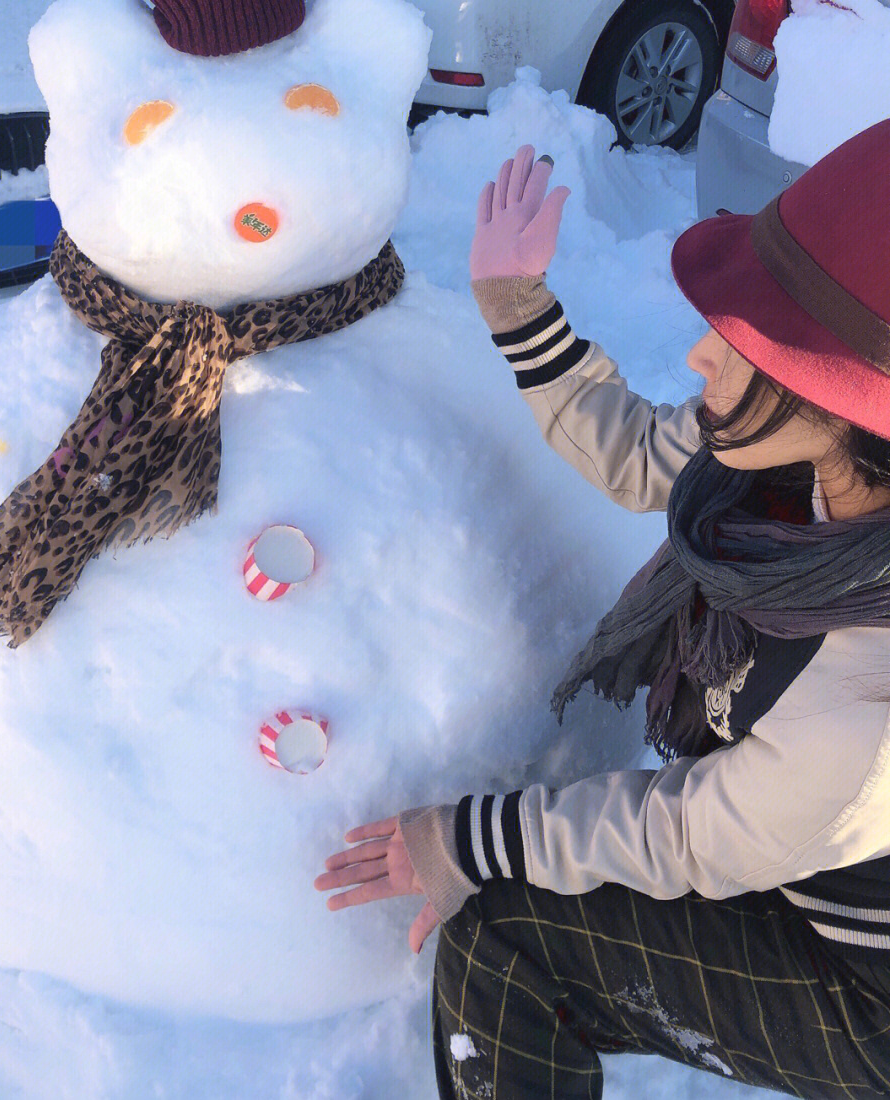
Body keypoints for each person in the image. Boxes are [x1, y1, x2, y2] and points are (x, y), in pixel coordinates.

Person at [315, 121, 890, 1098]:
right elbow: (645, 456)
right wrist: (517, 307)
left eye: (754, 338)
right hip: (791, 842)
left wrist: (463, 838)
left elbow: (691, 835)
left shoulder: (868, 697)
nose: (704, 351)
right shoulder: (800, 467)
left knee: (502, 934)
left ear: (849, 402)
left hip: (866, 979)